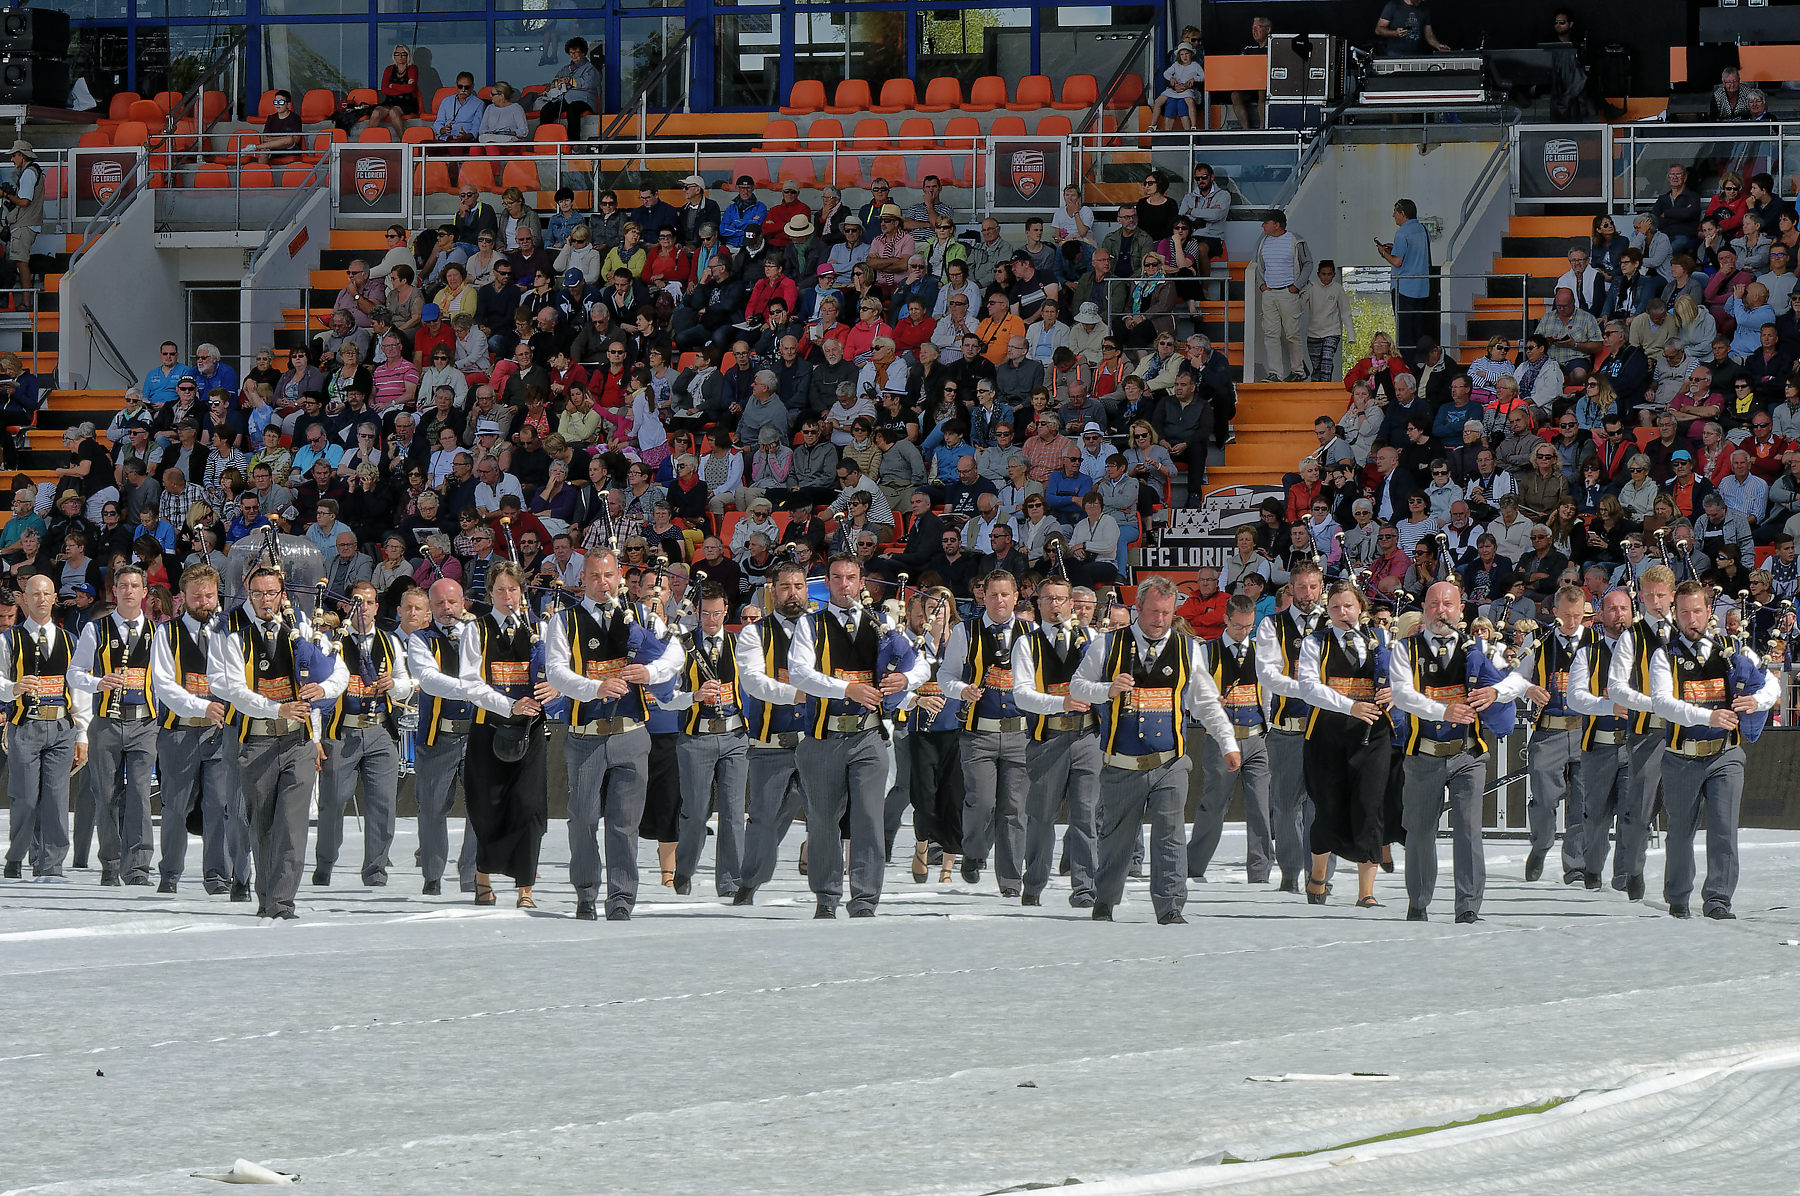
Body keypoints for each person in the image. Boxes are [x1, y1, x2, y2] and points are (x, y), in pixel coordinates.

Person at [1067, 575, 1240, 924]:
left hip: (1170, 761)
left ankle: (1171, 907)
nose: (1159, 619)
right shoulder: (1106, 645)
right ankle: (1105, 901)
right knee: (1116, 839)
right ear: (1137, 610)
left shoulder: (1189, 648)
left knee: (1170, 835)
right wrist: (1107, 690)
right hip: (1121, 763)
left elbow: (1205, 702)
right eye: (1153, 612)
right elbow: (1077, 687)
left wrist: (1228, 742)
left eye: (1166, 612)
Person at [787, 553, 929, 918]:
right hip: (822, 738)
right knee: (822, 820)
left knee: (868, 818)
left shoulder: (883, 624)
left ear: (861, 582)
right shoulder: (810, 625)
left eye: (851, 577)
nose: (844, 584)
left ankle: (865, 899)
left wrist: (906, 680)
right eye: (836, 577)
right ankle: (826, 896)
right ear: (827, 582)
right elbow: (800, 674)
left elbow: (922, 663)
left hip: (869, 737)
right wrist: (845, 688)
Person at [544, 549, 684, 919]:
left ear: (619, 576)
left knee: (625, 824)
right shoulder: (564, 621)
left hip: (632, 734)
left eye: (607, 575)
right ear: (584, 579)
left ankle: (622, 898)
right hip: (585, 735)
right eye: (593, 576)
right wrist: (594, 688)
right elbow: (556, 671)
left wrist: (650, 675)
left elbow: (675, 655)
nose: (601, 583)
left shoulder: (641, 616)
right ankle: (586, 893)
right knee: (584, 820)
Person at [209, 564, 348, 919]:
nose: (265, 600)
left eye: (271, 593)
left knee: (292, 823)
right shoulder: (234, 636)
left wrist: (324, 689)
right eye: (258, 594)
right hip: (255, 743)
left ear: (282, 595)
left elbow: (339, 670)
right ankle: (267, 897)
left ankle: (283, 902)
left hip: (298, 742)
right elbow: (236, 693)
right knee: (262, 825)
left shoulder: (301, 629)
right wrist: (276, 708)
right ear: (248, 595)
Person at [1389, 580, 1530, 922]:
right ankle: (1419, 902)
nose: (1441, 611)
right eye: (1434, 604)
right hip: (1423, 754)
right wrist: (1443, 711)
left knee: (1468, 830)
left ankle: (1468, 906)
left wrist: (1497, 694)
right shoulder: (1404, 649)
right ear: (1424, 608)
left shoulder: (1480, 648)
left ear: (1460, 610)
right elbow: (1403, 695)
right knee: (1421, 833)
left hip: (1468, 755)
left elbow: (1519, 679)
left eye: (1448, 604)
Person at [1649, 580, 1780, 919]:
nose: (1691, 619)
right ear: (1674, 616)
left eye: (1697, 611)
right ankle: (1678, 897)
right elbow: (1663, 704)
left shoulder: (1733, 648)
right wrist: (1709, 714)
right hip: (1681, 756)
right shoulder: (1665, 655)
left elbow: (1771, 683)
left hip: (1726, 754)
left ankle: (1718, 899)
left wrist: (1756, 700)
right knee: (1679, 832)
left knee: (1724, 829)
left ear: (1710, 612)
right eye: (1683, 613)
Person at [149, 563, 249, 899]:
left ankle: (217, 875)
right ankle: (170, 874)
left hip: (220, 735)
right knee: (176, 806)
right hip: (179, 732)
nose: (204, 601)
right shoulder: (166, 634)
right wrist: (199, 706)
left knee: (219, 805)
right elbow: (163, 684)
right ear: (183, 598)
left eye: (209, 595)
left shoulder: (230, 633)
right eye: (197, 597)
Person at [1294, 581, 1391, 908]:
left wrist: (1395, 694)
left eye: (1348, 606)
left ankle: (1366, 892)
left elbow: (1404, 682)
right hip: (1327, 735)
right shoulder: (1314, 643)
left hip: (1372, 735)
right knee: (1329, 807)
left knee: (1369, 807)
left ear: (1361, 607)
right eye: (1335, 607)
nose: (1342, 613)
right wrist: (1350, 705)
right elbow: (1308, 688)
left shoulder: (1382, 640)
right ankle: (1318, 875)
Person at [936, 568, 1032, 898]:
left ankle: (1010, 881)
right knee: (980, 803)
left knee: (1014, 809)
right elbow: (945, 675)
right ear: (983, 596)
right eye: (993, 594)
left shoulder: (1031, 633)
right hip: (979, 735)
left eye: (1006, 594)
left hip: (1020, 735)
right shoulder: (965, 631)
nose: (999, 600)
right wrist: (962, 690)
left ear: (1016, 597)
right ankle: (974, 853)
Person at [1005, 573, 1099, 906]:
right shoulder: (1026, 643)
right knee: (1041, 817)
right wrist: (1061, 703)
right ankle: (1033, 885)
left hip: (1088, 737)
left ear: (1072, 603)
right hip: (1049, 739)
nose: (1055, 605)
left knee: (1086, 816)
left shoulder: (1092, 637)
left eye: (1061, 599)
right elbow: (1022, 696)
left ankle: (1085, 888)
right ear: (1038, 603)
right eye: (1048, 599)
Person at [312, 580, 413, 889]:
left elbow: (407, 682)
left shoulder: (390, 640)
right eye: (357, 601)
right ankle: (325, 864)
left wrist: (395, 686)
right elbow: (316, 692)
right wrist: (315, 739)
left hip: (380, 729)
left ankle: (376, 871)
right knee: (332, 802)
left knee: (383, 804)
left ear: (376, 607)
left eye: (369, 602)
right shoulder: (331, 641)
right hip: (342, 732)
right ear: (346, 606)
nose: (363, 608)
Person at [67, 565, 159, 887]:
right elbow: (73, 673)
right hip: (105, 722)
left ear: (145, 592)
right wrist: (96, 682)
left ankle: (138, 868)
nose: (129, 591)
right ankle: (110, 864)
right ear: (114, 591)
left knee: (139, 794)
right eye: (123, 585)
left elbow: (166, 680)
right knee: (106, 795)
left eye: (135, 585)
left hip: (144, 723)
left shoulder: (158, 633)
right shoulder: (96, 629)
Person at [731, 561, 813, 904]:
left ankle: (826, 891)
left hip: (816, 741)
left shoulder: (823, 629)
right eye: (785, 587)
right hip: (770, 743)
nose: (792, 593)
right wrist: (797, 692)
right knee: (763, 818)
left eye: (798, 586)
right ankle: (749, 883)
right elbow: (753, 681)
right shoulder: (754, 633)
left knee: (824, 820)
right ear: (772, 591)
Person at [0, 574, 90, 881]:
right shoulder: (8, 639)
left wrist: (82, 734)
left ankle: (50, 865)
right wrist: (13, 687)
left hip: (61, 725)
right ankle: (16, 856)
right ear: (24, 598)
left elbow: (78, 690)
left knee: (56, 798)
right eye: (34, 594)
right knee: (25, 798)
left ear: (54, 598)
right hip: (25, 725)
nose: (40, 599)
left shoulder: (70, 639)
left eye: (46, 594)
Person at [1185, 593, 1275, 884]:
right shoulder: (1207, 652)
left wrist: (1268, 724)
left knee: (1260, 807)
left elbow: (1269, 693)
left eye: (1249, 627)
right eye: (1238, 626)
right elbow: (1191, 695)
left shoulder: (1261, 651)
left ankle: (1260, 872)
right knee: (1214, 804)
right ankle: (1193, 866)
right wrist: (1210, 705)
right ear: (1226, 619)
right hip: (1221, 740)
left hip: (1256, 738)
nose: (1243, 632)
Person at [668, 582, 750, 898]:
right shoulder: (682, 646)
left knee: (733, 813)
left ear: (726, 612)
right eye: (705, 613)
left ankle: (730, 883)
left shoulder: (739, 644)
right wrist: (693, 696)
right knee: (695, 813)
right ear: (697, 612)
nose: (711, 620)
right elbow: (666, 696)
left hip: (734, 736)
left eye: (717, 614)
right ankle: (684, 869)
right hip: (696, 737)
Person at [1251, 559, 1326, 893]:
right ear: (1291, 588)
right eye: (1301, 587)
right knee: (1284, 806)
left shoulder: (1334, 621)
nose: (1307, 593)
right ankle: (1290, 872)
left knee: (1323, 805)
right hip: (1286, 729)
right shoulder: (1272, 625)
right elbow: (1268, 674)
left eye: (1313, 586)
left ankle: (1320, 874)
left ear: (1321, 587)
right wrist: (1312, 689)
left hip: (1327, 730)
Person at [1565, 586, 1637, 892]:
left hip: (1636, 745)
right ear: (1600, 615)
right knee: (1595, 815)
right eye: (1612, 609)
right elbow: (1576, 698)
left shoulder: (1648, 652)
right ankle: (1591, 867)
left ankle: (1624, 876)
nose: (1619, 614)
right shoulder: (1587, 653)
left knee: (1633, 815)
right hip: (1600, 745)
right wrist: (1610, 706)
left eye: (1624, 609)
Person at [1254, 210, 1312, 382]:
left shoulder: (1295, 240)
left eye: (1266, 222)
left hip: (1288, 292)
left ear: (1276, 224)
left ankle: (1298, 371)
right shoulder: (1264, 241)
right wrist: (1261, 285)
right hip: (1270, 293)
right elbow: (1259, 266)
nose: (1263, 225)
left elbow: (1308, 263)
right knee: (1270, 334)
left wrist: (1296, 286)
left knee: (1292, 333)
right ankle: (1275, 373)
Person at [1377, 200, 1433, 355]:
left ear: (1403, 213)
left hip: (1404, 288)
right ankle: (1421, 363)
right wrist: (1395, 249)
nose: (1393, 215)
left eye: (1395, 211)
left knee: (1405, 334)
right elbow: (1415, 253)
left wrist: (1383, 252)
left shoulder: (1402, 233)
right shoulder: (1423, 229)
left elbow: (1397, 261)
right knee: (1419, 331)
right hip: (1422, 288)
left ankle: (1407, 366)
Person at [2, 141, 44, 295]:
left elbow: (25, 202)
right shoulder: (33, 171)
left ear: (21, 155)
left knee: (21, 263)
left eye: (14, 155)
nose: (12, 159)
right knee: (21, 262)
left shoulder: (28, 173)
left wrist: (6, 195)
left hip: (24, 225)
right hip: (28, 223)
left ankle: (26, 303)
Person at [537, 36, 600, 130]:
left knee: (573, 109)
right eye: (571, 53)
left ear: (583, 52)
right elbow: (553, 81)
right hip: (565, 99)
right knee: (547, 109)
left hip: (583, 100)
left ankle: (574, 142)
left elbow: (589, 83)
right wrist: (556, 84)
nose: (573, 55)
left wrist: (570, 81)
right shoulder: (565, 69)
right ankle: (547, 138)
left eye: (576, 52)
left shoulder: (590, 68)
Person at [369, 45, 421, 140]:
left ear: (407, 55)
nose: (400, 56)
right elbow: (384, 90)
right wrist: (403, 88)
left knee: (394, 112)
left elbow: (410, 89)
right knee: (376, 112)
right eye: (397, 54)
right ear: (394, 56)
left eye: (403, 54)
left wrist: (393, 86)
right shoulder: (389, 69)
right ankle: (370, 141)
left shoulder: (412, 68)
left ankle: (404, 141)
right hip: (390, 102)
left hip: (407, 102)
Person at [1376, 0, 1452, 55]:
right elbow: (1378, 29)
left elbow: (1429, 34)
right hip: (1395, 53)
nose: (1421, 1)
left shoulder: (1424, 9)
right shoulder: (1393, 5)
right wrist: (1395, 33)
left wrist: (1437, 45)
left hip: (1417, 54)